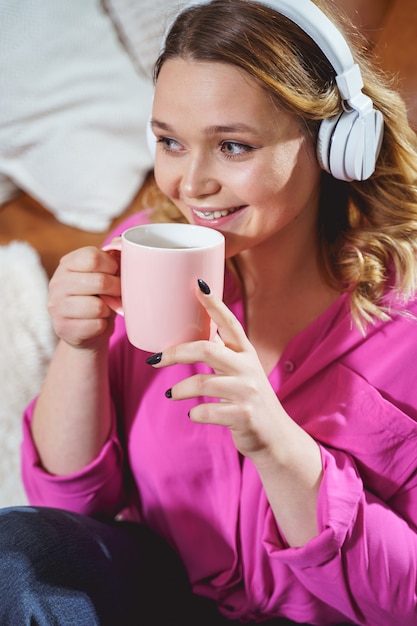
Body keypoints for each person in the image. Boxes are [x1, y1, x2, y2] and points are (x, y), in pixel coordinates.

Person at [1, 0, 417, 623]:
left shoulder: (403, 326)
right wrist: (79, 348)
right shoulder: (145, 253)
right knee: (19, 555)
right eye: (170, 141)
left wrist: (279, 447)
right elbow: (70, 507)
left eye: (232, 146)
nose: (190, 184)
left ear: (332, 146)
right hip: (163, 591)